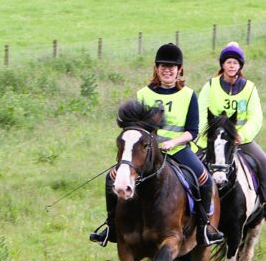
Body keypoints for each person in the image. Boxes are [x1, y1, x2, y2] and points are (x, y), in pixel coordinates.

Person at [90, 43, 224, 247]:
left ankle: (205, 228)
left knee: (204, 179)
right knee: (112, 177)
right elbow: (134, 127)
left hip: (178, 150)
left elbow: (192, 131)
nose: (167, 70)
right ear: (156, 68)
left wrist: (173, 142)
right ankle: (111, 227)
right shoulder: (143, 93)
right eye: (163, 66)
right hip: (145, 153)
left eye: (172, 67)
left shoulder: (188, 95)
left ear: (179, 70)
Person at [196, 42, 266, 220]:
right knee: (193, 166)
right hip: (214, 140)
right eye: (228, 62)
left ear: (240, 65)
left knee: (264, 163)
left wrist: (242, 135)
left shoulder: (249, 89)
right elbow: (201, 113)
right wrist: (208, 135)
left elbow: (256, 117)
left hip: (240, 139)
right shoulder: (210, 86)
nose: (231, 65)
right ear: (222, 65)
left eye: (235, 62)